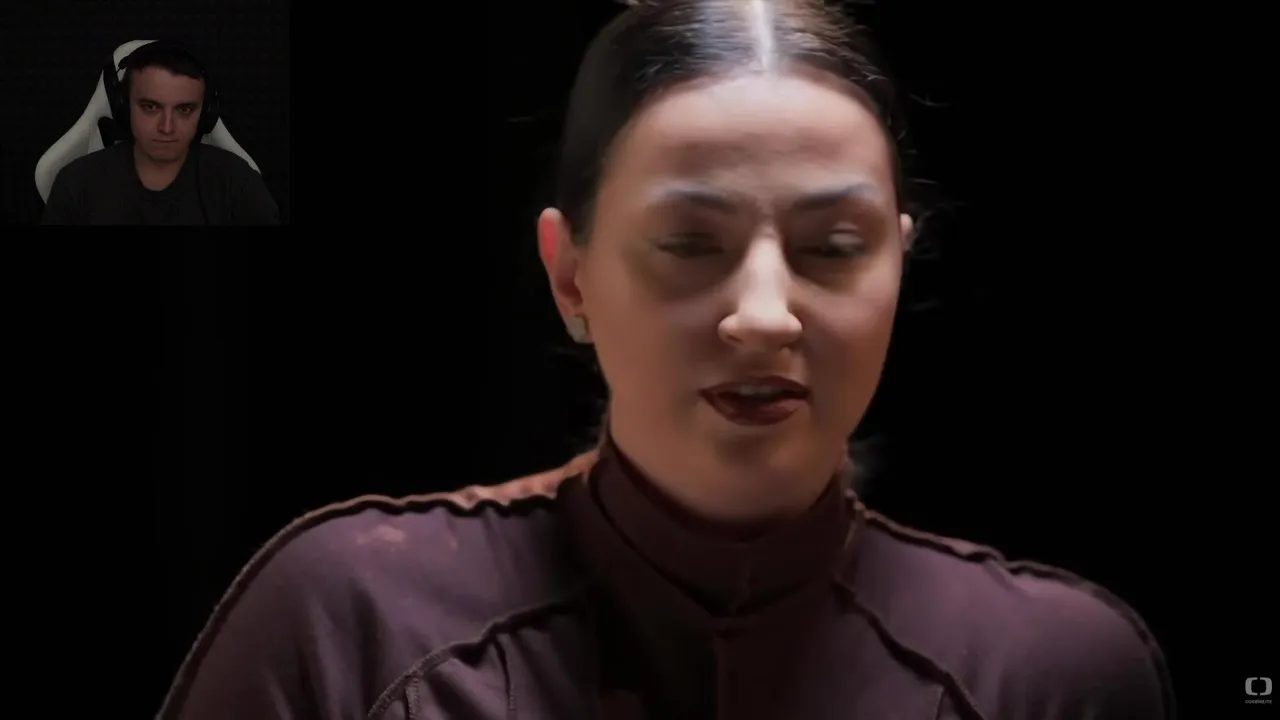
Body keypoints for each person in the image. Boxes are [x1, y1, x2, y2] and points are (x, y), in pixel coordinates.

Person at [156, 1, 1175, 718]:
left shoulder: (1056, 673)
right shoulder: (356, 622)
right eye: (691, 244)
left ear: (898, 267)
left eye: (833, 247)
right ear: (570, 277)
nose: (765, 316)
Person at [41, 41, 278, 225]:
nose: (167, 127)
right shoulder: (75, 184)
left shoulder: (239, 184)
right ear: (124, 106)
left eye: (184, 109)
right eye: (150, 107)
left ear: (205, 112)